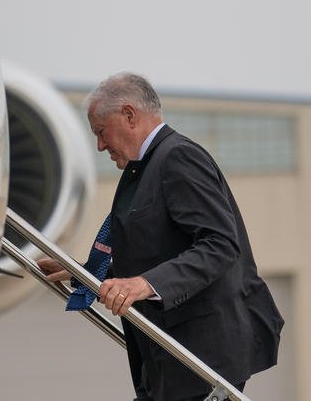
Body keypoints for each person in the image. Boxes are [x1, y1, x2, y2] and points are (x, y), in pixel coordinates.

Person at [38, 73, 284, 401]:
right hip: (168, 362)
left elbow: (220, 244)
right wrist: (83, 274)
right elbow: (156, 257)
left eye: (100, 131)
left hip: (200, 359)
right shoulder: (149, 169)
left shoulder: (177, 158)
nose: (100, 146)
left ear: (129, 115)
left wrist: (143, 285)